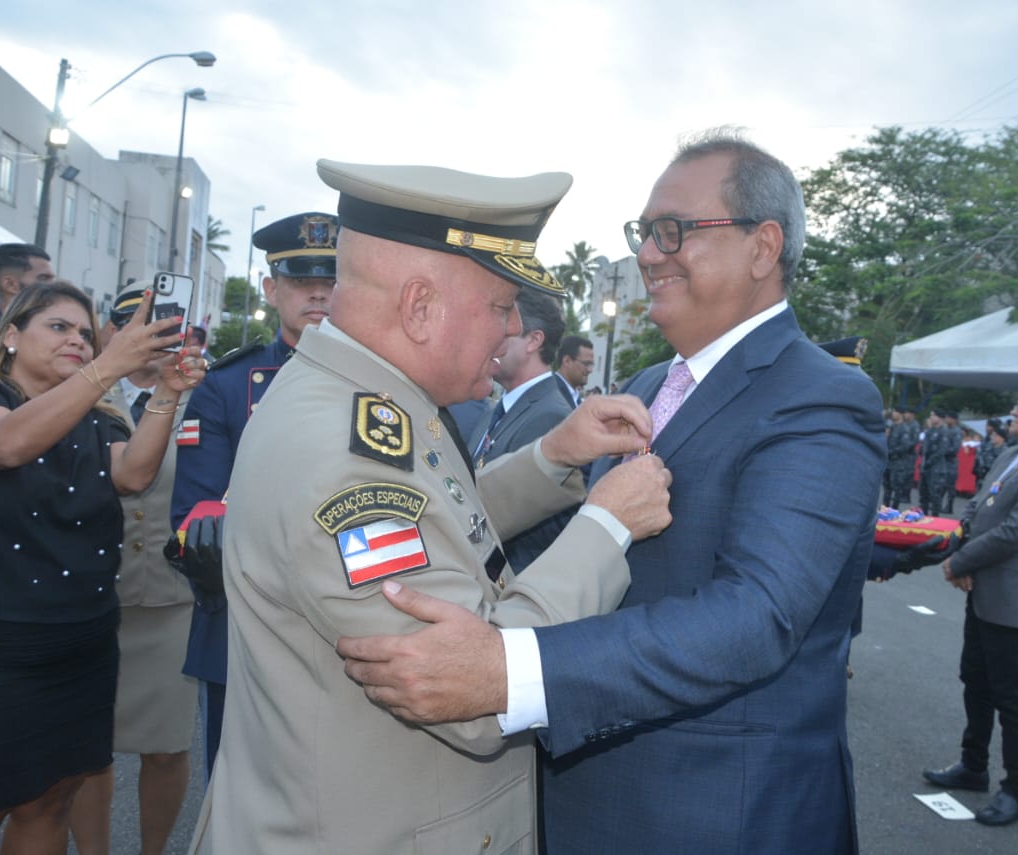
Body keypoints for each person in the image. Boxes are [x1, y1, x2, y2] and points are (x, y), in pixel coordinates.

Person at [338, 129, 887, 853]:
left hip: (719, 814)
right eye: (645, 233)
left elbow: (758, 615)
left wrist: (513, 670)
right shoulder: (650, 386)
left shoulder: (821, 397)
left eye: (674, 231)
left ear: (762, 247)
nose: (649, 254)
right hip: (588, 800)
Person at [187, 159, 673, 855]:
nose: (510, 334)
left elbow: (440, 525)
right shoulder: (345, 458)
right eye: (501, 307)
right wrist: (608, 524)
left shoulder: (366, 400)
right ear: (419, 307)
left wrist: (552, 455)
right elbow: (475, 682)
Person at [0, 281, 204, 854]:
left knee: (49, 802)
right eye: (59, 327)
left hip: (79, 643)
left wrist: (164, 392)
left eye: (86, 335)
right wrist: (110, 365)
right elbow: (3, 446)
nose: (78, 341)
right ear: (11, 336)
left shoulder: (97, 417)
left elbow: (134, 474)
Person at [169, 211, 338, 779]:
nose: (318, 292)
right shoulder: (227, 385)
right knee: (239, 791)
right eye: (300, 280)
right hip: (248, 628)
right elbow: (196, 526)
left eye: (332, 279)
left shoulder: (382, 381)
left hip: (355, 631)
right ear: (270, 290)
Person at [67, 289, 199, 855]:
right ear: (113, 333)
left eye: (168, 325)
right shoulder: (80, 394)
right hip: (92, 597)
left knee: (167, 748)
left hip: (171, 600)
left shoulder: (203, 396)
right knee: (86, 750)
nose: (153, 335)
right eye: (138, 324)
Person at [922, 380, 1018, 827]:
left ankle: (1015, 788)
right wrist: (960, 549)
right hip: (985, 587)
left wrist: (959, 561)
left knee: (1010, 697)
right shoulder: (1013, 455)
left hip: (1016, 599)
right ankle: (973, 766)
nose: (1013, 413)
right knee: (975, 680)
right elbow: (979, 511)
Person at [470, 288, 577, 572]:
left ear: (534, 340)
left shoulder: (551, 416)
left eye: (505, 331)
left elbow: (531, 529)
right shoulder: (498, 409)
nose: (491, 341)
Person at [887, 405, 917, 508]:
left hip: (898, 461)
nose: (893, 414)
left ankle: (894, 509)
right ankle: (885, 509)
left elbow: (905, 446)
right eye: (893, 412)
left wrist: (891, 452)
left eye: (896, 412)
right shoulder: (891, 427)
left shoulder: (904, 429)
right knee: (887, 487)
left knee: (897, 487)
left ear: (900, 414)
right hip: (888, 462)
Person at [553, 334, 594, 407]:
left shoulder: (574, 395)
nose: (590, 370)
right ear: (567, 361)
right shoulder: (552, 393)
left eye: (591, 364)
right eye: (586, 364)